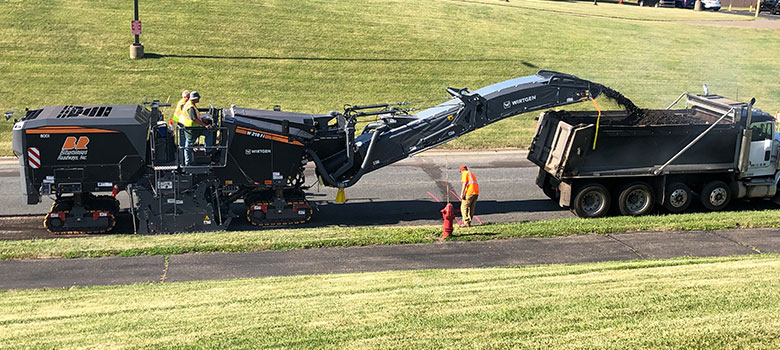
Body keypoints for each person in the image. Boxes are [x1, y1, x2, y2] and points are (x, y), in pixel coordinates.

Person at [180, 91, 214, 165]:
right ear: (195, 99)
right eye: (198, 98)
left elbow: (196, 117)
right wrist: (205, 125)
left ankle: (208, 151)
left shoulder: (191, 104)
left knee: (208, 133)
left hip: (196, 128)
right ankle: (188, 162)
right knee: (188, 146)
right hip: (191, 130)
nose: (199, 99)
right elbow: (194, 119)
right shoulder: (190, 107)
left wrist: (203, 120)